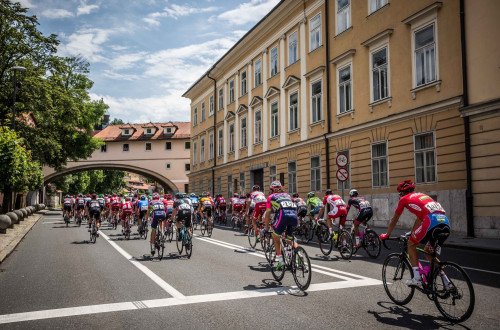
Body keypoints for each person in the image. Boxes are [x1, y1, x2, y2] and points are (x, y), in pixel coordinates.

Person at [380, 180, 450, 287]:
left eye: (400, 193)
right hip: (445, 223)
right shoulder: (423, 196)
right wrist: (412, 233)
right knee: (427, 251)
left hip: (431, 222)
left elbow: (394, 219)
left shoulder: (404, 199)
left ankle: (417, 278)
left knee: (411, 244)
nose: (400, 195)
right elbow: (419, 219)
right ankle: (447, 283)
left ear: (402, 192)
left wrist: (387, 234)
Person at [263, 181, 299, 271]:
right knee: (290, 238)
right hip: (294, 216)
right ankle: (300, 256)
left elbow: (267, 214)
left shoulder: (271, 197)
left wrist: (266, 228)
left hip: (283, 215)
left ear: (272, 190)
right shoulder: (287, 195)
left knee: (275, 237)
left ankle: (280, 261)